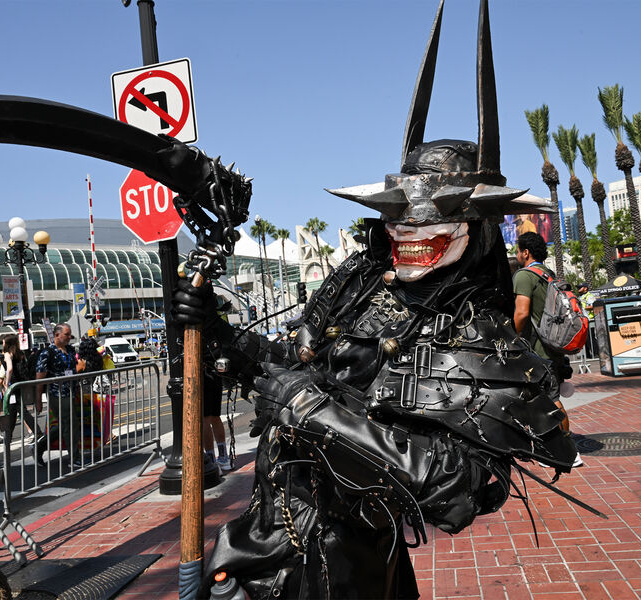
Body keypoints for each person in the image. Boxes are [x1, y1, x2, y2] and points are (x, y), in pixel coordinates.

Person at [174, 5, 580, 595]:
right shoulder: (360, 288)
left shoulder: (480, 336)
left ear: (477, 225)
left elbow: (455, 489)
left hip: (350, 564)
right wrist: (218, 333)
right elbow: (292, 364)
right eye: (398, 216)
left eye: (433, 217)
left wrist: (310, 411)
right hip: (269, 536)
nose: (408, 230)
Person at [512, 232, 581, 467]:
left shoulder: (524, 276)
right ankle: (551, 447)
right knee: (545, 398)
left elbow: (522, 312)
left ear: (526, 252)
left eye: (518, 250)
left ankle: (567, 452)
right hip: (552, 348)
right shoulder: (548, 274)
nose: (516, 254)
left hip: (538, 351)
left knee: (551, 400)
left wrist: (512, 337)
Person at [35, 323, 82, 467]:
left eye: (70, 334)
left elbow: (72, 370)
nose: (69, 337)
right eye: (66, 334)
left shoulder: (70, 350)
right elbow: (39, 378)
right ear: (56, 335)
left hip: (71, 392)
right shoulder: (47, 353)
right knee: (71, 424)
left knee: (65, 425)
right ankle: (74, 458)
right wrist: (38, 400)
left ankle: (39, 447)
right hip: (57, 393)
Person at [0, 334, 38, 444]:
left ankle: (38, 432)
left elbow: (9, 369)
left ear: (7, 344)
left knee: (21, 411)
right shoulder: (20, 353)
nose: (2, 344)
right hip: (20, 384)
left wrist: (7, 383)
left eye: (3, 342)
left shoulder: (7, 354)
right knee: (12, 412)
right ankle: (8, 437)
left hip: (13, 386)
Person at [202, 369, 232, 472]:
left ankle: (211, 460)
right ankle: (223, 457)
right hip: (215, 373)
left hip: (203, 375)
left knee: (205, 419)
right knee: (215, 417)